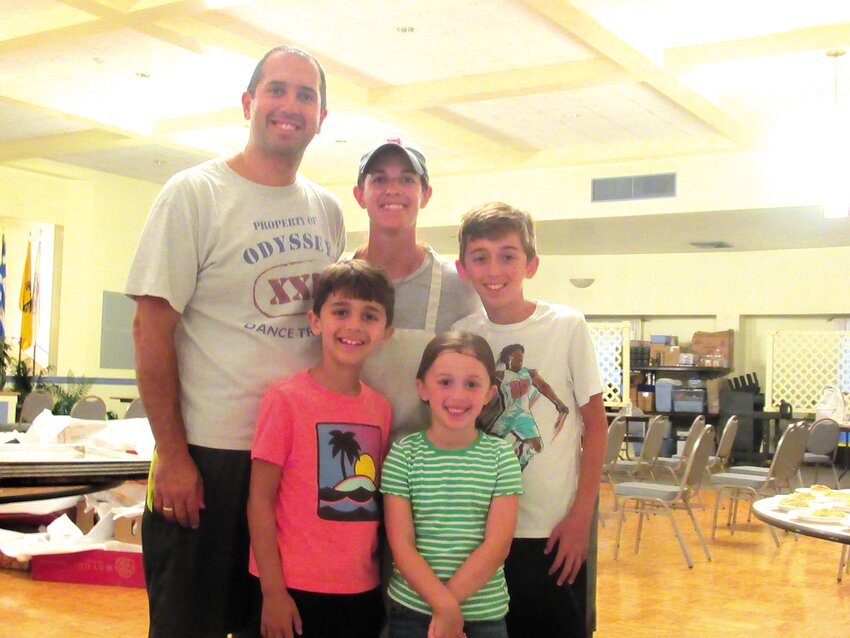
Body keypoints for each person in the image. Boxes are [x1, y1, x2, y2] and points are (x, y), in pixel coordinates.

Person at [125, 45, 345, 637]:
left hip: (295, 460)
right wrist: (171, 454)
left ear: (322, 117)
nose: (290, 106)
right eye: (277, 90)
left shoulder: (326, 210)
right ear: (249, 103)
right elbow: (151, 328)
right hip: (207, 456)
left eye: (306, 95)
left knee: (273, 624)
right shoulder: (194, 194)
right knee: (187, 624)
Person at [453, 203, 607, 638]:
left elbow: (596, 424)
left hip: (552, 530)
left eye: (508, 255)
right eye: (479, 256)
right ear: (464, 268)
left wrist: (581, 516)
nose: (494, 268)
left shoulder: (566, 324)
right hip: (478, 529)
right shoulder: (463, 333)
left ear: (531, 264)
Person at [248, 260, 395, 638]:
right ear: (315, 321)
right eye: (341, 312)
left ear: (386, 332)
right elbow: (260, 501)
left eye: (370, 315)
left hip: (361, 591)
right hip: (292, 591)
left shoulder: (381, 408)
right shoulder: (285, 400)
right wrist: (272, 591)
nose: (354, 325)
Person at [381, 330, 523, 638]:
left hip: (483, 614)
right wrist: (443, 606)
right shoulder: (403, 455)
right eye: (445, 382)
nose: (458, 396)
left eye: (472, 384)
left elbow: (497, 546)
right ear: (422, 387)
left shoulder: (501, 457)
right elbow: (402, 545)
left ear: (489, 393)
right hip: (412, 611)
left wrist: (448, 606)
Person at [351, 140, 480, 442]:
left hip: (426, 472)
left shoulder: (456, 287)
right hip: (347, 459)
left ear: (425, 195)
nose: (392, 189)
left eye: (407, 179)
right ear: (360, 195)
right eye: (379, 179)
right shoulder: (337, 282)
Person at [480, 343, 570, 468]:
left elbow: (543, 387)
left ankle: (516, 461)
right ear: (507, 359)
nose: (519, 363)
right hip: (507, 415)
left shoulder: (529, 373)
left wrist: (559, 403)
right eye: (515, 360)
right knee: (488, 445)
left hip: (523, 415)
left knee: (537, 446)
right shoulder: (499, 375)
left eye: (521, 360)